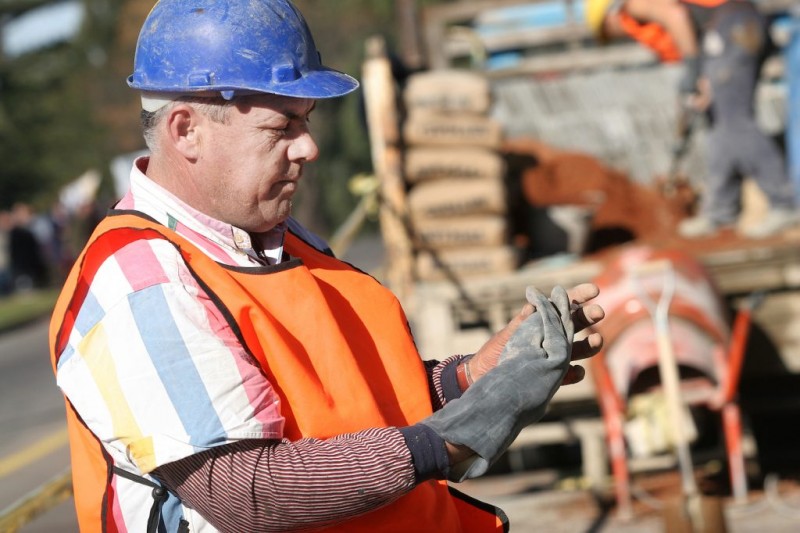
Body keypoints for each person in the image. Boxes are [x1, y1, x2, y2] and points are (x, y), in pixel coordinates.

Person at [49, 1, 605, 531]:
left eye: (306, 121)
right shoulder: (139, 283)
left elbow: (351, 406)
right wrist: (452, 439)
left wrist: (470, 378)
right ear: (186, 130)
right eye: (282, 127)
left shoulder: (275, 239)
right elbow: (249, 492)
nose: (307, 148)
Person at [585, 0, 798, 239]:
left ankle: (785, 203)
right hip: (730, 29)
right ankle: (720, 211)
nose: (617, 35)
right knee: (718, 125)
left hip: (732, 27)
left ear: (609, 16)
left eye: (608, 31)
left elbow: (676, 16)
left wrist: (693, 68)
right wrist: (700, 74)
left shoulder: (634, 4)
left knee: (735, 122)